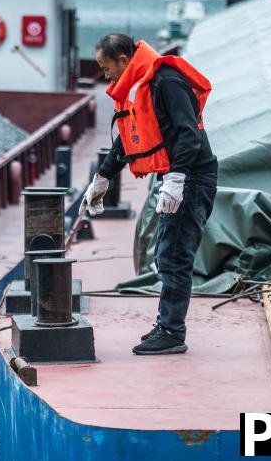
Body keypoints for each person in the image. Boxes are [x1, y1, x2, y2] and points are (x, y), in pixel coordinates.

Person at [84, 34, 217, 356]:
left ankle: (172, 332)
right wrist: (103, 177)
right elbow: (129, 139)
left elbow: (189, 134)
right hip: (177, 176)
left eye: (106, 68)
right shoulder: (140, 86)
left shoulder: (166, 81)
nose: (106, 77)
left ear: (123, 60)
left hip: (191, 178)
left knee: (174, 256)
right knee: (166, 253)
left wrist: (176, 177)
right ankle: (167, 325)